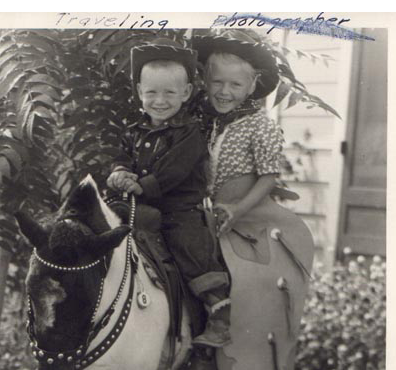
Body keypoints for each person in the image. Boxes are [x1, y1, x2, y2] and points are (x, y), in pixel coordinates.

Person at [106, 39, 232, 348]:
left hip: (178, 208)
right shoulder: (133, 130)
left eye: (169, 93)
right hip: (136, 205)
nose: (159, 101)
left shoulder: (189, 133)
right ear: (139, 92)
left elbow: (174, 170)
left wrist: (144, 185)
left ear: (186, 93)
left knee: (187, 244)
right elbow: (120, 155)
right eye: (151, 92)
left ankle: (217, 309)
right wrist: (119, 172)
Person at [192, 31, 285, 234]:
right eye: (217, 82)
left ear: (251, 86)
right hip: (203, 216)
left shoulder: (259, 125)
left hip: (244, 216)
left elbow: (269, 176)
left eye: (236, 84)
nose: (225, 92)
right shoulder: (200, 119)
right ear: (206, 81)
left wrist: (239, 210)